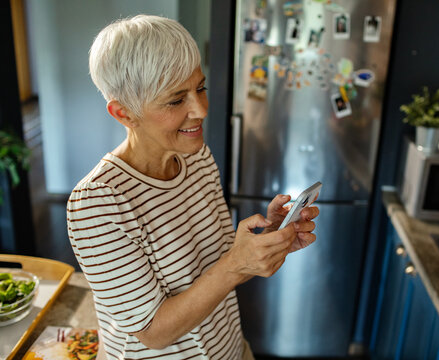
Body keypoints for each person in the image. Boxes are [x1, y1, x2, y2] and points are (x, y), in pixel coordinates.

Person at [66, 15, 319, 360]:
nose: (200, 109)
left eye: (200, 88)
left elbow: (216, 269)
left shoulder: (197, 159)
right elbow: (154, 333)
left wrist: (264, 244)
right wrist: (235, 264)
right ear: (123, 113)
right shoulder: (98, 202)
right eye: (175, 100)